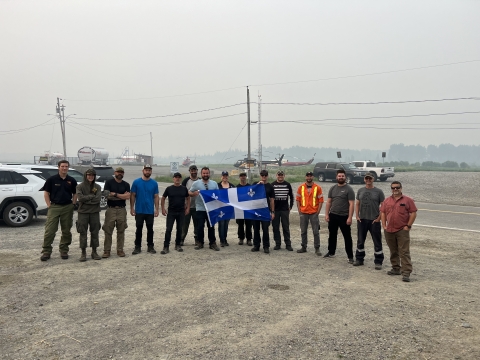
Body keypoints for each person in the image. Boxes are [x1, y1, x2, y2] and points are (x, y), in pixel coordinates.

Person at [40, 160, 78, 261]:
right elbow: (46, 193)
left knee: (66, 230)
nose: (64, 168)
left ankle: (64, 250)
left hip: (67, 207)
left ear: (68, 168)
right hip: (54, 207)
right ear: (58, 167)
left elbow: (75, 193)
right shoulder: (51, 180)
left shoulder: (71, 180)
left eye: (66, 166)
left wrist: (73, 204)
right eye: (62, 166)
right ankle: (46, 251)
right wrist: (49, 206)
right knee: (50, 230)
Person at [381, 181, 417, 282]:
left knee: (404, 252)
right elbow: (383, 213)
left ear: (401, 188)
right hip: (389, 230)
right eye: (393, 188)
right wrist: (384, 225)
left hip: (402, 230)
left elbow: (413, 213)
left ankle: (406, 273)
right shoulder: (387, 200)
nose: (395, 189)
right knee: (393, 250)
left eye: (397, 187)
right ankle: (396, 268)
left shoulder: (408, 200)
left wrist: (408, 225)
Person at [353, 172, 385, 269]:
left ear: (373, 179)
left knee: (377, 241)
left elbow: (383, 206)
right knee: (360, 240)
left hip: (374, 221)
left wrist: (379, 218)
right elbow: (357, 203)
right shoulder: (360, 191)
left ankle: (378, 261)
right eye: (366, 178)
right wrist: (357, 216)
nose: (368, 180)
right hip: (362, 220)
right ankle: (359, 259)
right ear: (364, 179)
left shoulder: (379, 192)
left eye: (370, 178)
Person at [324, 169, 355, 263]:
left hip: (344, 216)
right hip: (333, 215)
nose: (341, 177)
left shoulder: (349, 189)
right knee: (332, 235)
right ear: (336, 177)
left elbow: (352, 204)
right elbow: (329, 202)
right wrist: (326, 214)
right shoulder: (332, 188)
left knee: (347, 237)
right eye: (339, 176)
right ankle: (331, 252)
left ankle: (350, 256)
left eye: (342, 176)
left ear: (345, 177)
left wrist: (350, 217)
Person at [76, 168, 107, 261]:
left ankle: (94, 251)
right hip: (83, 213)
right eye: (89, 175)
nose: (90, 177)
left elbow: (97, 199)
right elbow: (80, 198)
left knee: (95, 232)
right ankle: (83, 252)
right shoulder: (80, 186)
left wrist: (87, 200)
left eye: (92, 175)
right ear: (85, 176)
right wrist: (91, 197)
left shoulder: (97, 187)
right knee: (82, 232)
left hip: (94, 212)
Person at [188, 167, 220, 251]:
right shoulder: (196, 183)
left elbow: (219, 194)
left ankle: (212, 243)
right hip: (200, 208)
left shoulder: (214, 184)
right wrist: (193, 193)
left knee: (211, 226)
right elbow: (189, 192)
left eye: (207, 173)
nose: (205, 175)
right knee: (200, 227)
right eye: (204, 173)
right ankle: (200, 243)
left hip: (211, 209)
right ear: (201, 174)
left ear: (209, 174)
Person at [130, 164, 159, 254]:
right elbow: (133, 195)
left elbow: (156, 196)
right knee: (139, 229)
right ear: (143, 171)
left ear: (151, 171)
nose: (147, 172)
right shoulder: (136, 182)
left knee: (150, 229)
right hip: (139, 210)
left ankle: (150, 246)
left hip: (149, 211)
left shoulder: (154, 183)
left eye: (149, 170)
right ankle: (137, 247)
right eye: (146, 170)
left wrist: (157, 209)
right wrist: (132, 208)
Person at [102, 166, 130, 258]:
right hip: (111, 209)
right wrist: (122, 195)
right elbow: (107, 195)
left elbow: (127, 197)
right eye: (118, 172)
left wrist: (115, 194)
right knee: (108, 230)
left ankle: (120, 250)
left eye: (121, 172)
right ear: (115, 173)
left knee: (121, 230)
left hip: (122, 209)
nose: (120, 174)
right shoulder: (109, 183)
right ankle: (106, 251)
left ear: (123, 174)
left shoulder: (126, 184)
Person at [161, 172, 190, 254]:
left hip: (181, 212)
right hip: (171, 212)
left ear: (180, 179)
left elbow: (188, 198)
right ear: (173, 179)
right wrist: (163, 209)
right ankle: (166, 247)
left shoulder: (184, 189)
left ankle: (178, 245)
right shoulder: (169, 188)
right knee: (169, 229)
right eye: (176, 177)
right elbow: (163, 198)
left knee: (179, 229)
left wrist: (187, 208)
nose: (177, 179)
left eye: (179, 177)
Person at [296, 171, 324, 255]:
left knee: (316, 231)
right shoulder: (300, 187)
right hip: (303, 212)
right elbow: (298, 200)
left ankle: (317, 248)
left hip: (313, 212)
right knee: (303, 231)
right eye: (307, 176)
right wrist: (299, 210)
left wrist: (318, 212)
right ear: (305, 177)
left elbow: (321, 201)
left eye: (310, 176)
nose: (309, 177)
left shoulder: (317, 188)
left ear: (313, 177)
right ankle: (303, 247)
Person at [251, 169, 275, 254]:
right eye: (262, 175)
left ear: (267, 176)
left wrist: (272, 212)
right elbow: (250, 193)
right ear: (260, 176)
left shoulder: (270, 186)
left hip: (265, 211)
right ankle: (256, 245)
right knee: (256, 229)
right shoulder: (255, 184)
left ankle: (266, 246)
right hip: (256, 211)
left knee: (265, 229)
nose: (264, 177)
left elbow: (272, 200)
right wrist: (257, 185)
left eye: (265, 175)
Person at [271, 170, 294, 251]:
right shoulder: (272, 185)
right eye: (279, 175)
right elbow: (270, 198)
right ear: (276, 175)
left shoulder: (287, 184)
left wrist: (290, 206)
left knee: (286, 227)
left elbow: (291, 196)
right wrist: (271, 210)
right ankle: (278, 244)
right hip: (275, 210)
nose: (280, 176)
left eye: (282, 175)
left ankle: (288, 244)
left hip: (284, 209)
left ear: (284, 176)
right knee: (275, 227)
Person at [180, 165, 199, 246]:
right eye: (192, 170)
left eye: (195, 170)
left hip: (198, 207)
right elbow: (182, 193)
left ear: (197, 171)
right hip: (187, 207)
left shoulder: (200, 181)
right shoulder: (185, 181)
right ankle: (181, 239)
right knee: (184, 225)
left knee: (197, 225)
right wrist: (184, 205)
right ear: (189, 171)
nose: (193, 172)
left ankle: (197, 240)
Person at [217, 171, 235, 247]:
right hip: (220, 208)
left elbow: (235, 196)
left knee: (226, 224)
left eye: (226, 175)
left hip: (228, 208)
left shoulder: (232, 186)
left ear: (228, 176)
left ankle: (225, 239)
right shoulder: (217, 186)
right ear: (221, 176)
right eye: (223, 175)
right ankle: (221, 240)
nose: (225, 177)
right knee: (221, 224)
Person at [236, 172, 253, 246]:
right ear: (239, 177)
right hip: (239, 209)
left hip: (248, 208)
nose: (243, 177)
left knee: (249, 224)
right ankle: (241, 238)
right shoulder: (237, 187)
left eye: (244, 176)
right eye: (241, 176)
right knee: (240, 224)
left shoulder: (250, 186)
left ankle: (249, 239)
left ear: (246, 177)